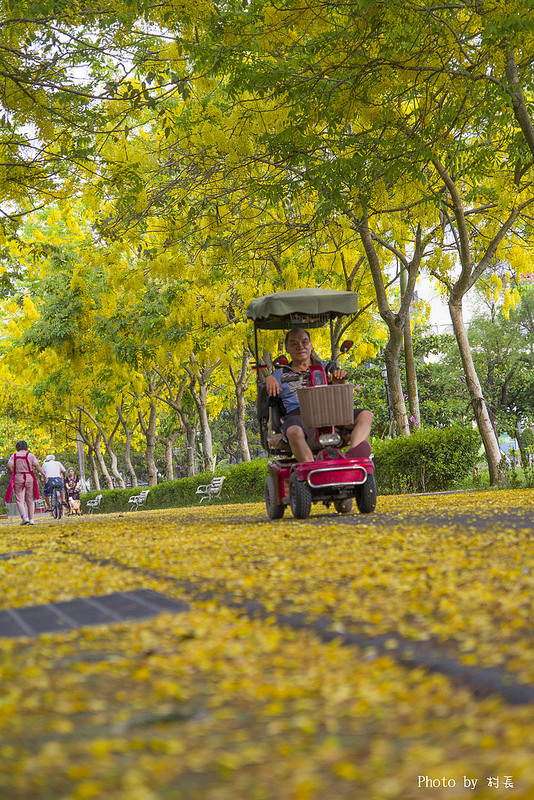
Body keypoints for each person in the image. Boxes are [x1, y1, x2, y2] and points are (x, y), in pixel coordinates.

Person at [264, 327, 373, 463]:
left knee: (366, 415)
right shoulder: (280, 374)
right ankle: (311, 468)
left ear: (311, 345)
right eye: (294, 344)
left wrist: (340, 380)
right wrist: (268, 379)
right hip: (298, 415)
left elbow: (339, 385)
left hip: (329, 412)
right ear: (286, 348)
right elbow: (263, 400)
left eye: (305, 342)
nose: (300, 347)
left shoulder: (326, 367)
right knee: (293, 431)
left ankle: (354, 455)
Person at [4, 440, 47, 525]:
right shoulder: (30, 455)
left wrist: (13, 471)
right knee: (30, 499)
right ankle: (31, 519)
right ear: (26, 447)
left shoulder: (14, 455)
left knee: (20, 499)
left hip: (18, 477)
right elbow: (37, 465)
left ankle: (24, 517)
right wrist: (44, 474)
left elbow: (9, 465)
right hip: (29, 477)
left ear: (17, 447)